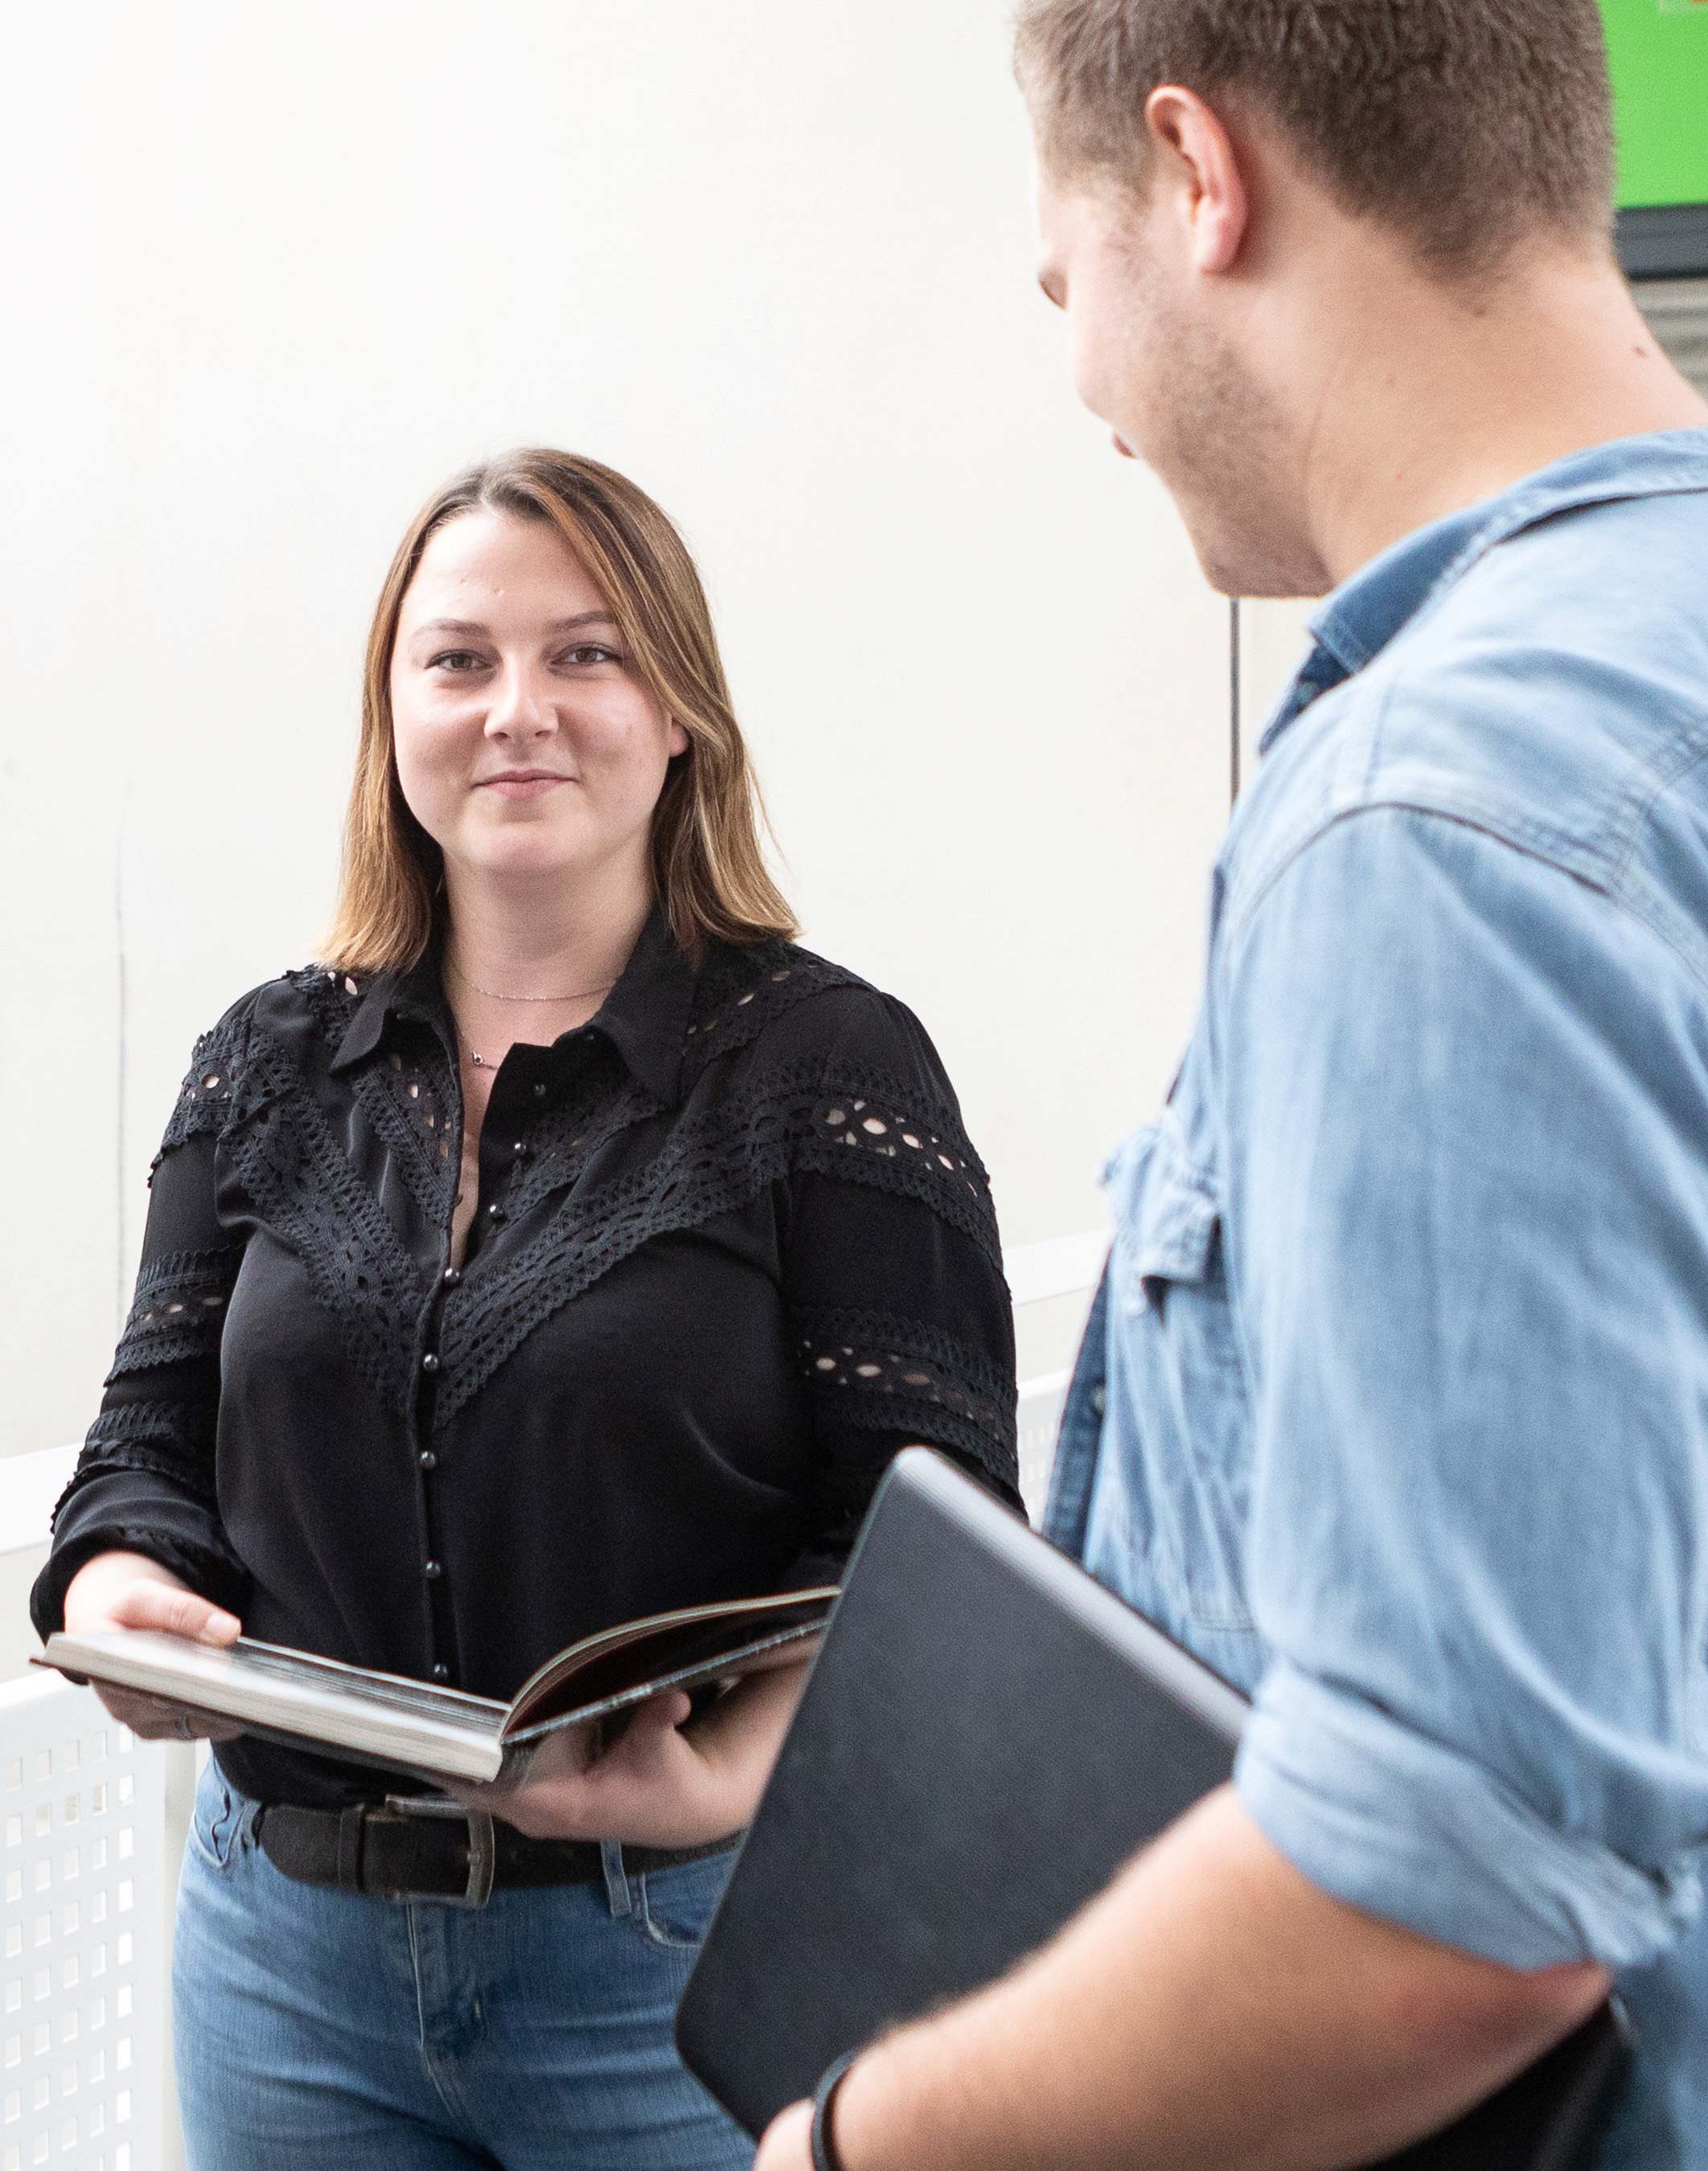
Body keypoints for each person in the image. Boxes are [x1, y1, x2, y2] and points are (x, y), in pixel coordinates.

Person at [753, 4, 1708, 2168]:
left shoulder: (1442, 820)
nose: (1084, 376)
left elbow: (1458, 1881)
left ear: (1200, 176)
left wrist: (866, 2139)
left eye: (1059, 275)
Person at [31, 448, 1020, 2171]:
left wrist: (723, 1779)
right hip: (283, 1964)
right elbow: (143, 1445)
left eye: (587, 653)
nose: (519, 711)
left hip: (673, 1964)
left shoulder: (829, 1072)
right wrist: (117, 1582)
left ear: (680, 711)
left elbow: (938, 1539)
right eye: (461, 660)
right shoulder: (266, 1062)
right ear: (393, 718)